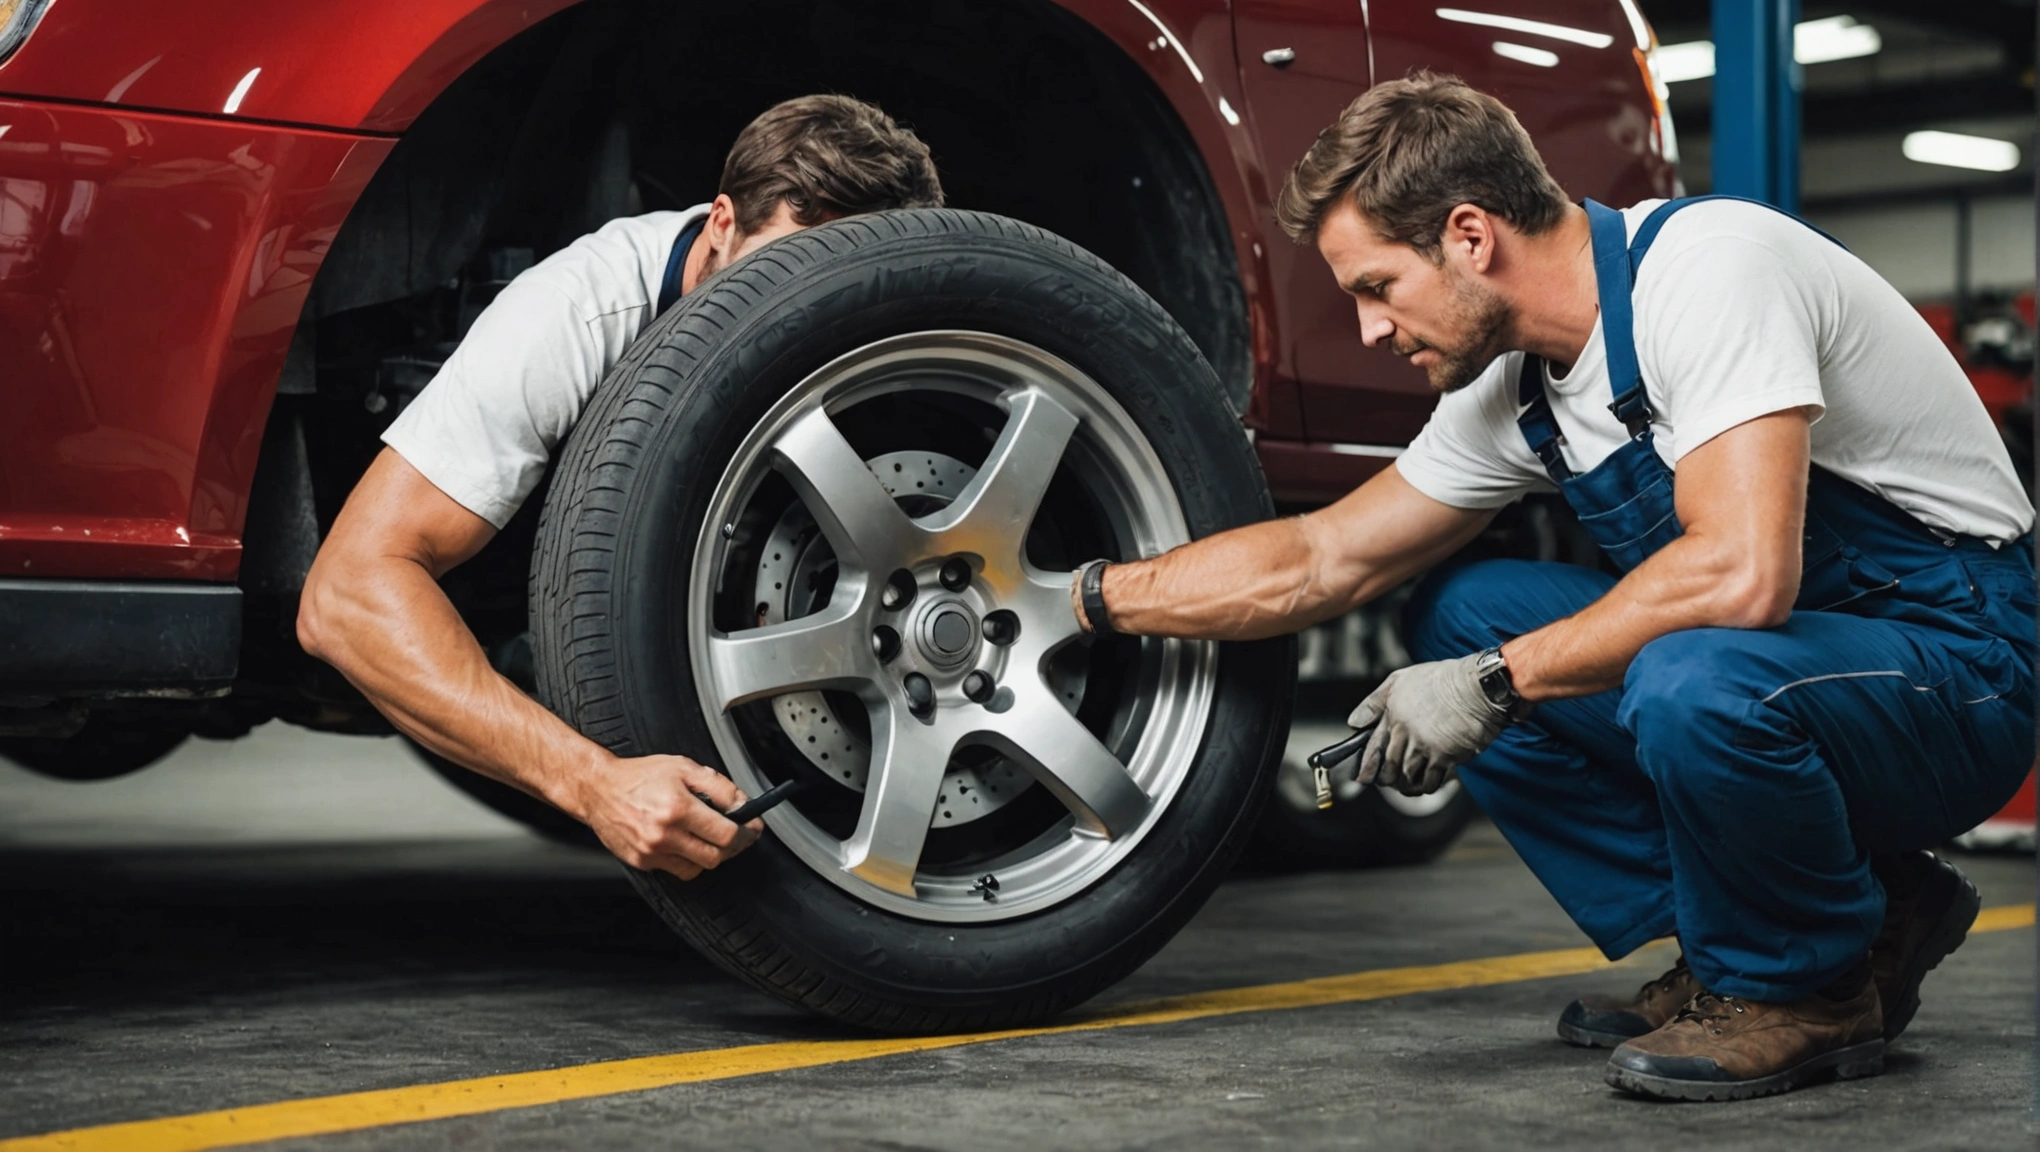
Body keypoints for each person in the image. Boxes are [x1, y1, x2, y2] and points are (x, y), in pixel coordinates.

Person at [1067, 73, 2033, 1102]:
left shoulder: (1707, 273)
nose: (1367, 331)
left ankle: (1803, 989)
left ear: (1471, 236)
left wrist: (1492, 683)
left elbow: (1745, 572)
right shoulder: (1516, 383)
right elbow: (1323, 556)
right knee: (1460, 613)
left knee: (1684, 674)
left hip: (1963, 666)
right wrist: (1084, 599)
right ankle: (1815, 923)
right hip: (1798, 663)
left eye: (1376, 287)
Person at [298, 95, 943, 883]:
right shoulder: (573, 312)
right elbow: (348, 595)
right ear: (720, 225)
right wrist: (594, 783)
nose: (813, 316)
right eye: (787, 274)